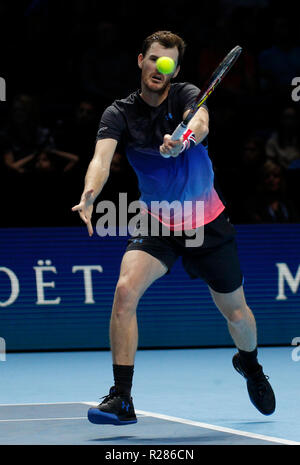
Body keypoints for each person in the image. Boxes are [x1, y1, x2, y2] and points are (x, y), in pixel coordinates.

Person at [72, 31, 275, 426]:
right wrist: (90, 193)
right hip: (157, 220)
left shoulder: (185, 95)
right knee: (124, 291)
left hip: (207, 222)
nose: (157, 68)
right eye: (152, 59)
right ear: (140, 61)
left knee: (238, 315)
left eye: (167, 63)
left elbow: (200, 121)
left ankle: (249, 365)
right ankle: (122, 398)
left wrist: (184, 141)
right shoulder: (119, 113)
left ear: (175, 71)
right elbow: (101, 158)